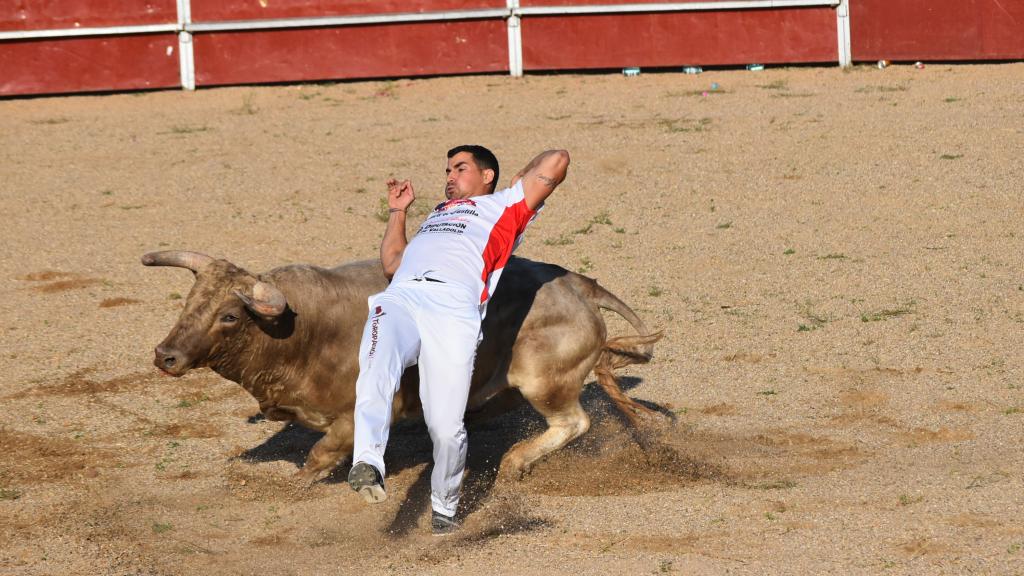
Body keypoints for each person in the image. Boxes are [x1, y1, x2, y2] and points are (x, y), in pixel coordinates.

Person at [347, 145, 570, 534]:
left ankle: (445, 506)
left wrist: (514, 187)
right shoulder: (436, 214)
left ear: (487, 176)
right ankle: (367, 462)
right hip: (403, 297)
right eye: (447, 169)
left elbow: (558, 159)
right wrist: (398, 211)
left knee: (446, 427)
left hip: (453, 309)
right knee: (376, 365)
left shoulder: (507, 206)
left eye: (459, 168)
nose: (449, 176)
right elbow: (392, 265)